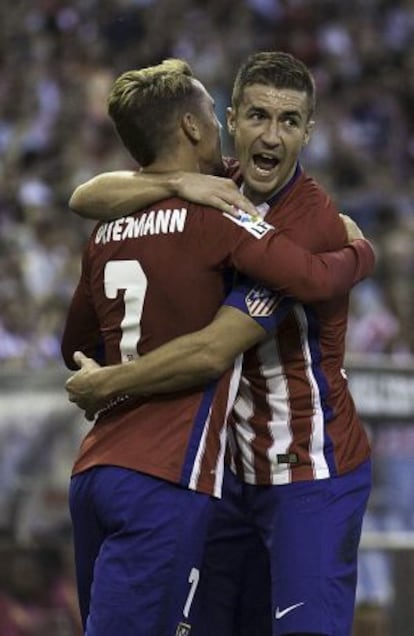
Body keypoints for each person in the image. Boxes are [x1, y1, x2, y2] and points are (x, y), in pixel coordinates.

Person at [65, 52, 375, 636]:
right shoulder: (212, 188)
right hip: (223, 474)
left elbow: (214, 348)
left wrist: (360, 253)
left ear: (308, 132)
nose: (272, 134)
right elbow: (86, 195)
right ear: (230, 120)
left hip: (309, 467)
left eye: (289, 122)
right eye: (258, 116)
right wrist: (177, 179)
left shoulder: (307, 220)